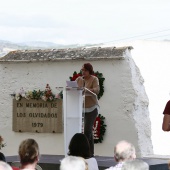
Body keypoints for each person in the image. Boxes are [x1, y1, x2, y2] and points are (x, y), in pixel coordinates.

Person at [76, 63, 100, 157]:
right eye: (82, 70)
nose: (83, 72)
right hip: (82, 108)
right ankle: (90, 153)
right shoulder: (79, 79)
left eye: (85, 70)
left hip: (92, 108)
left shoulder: (94, 79)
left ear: (89, 71)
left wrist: (88, 89)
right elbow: (74, 88)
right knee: (86, 132)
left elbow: (97, 90)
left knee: (87, 131)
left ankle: (87, 153)